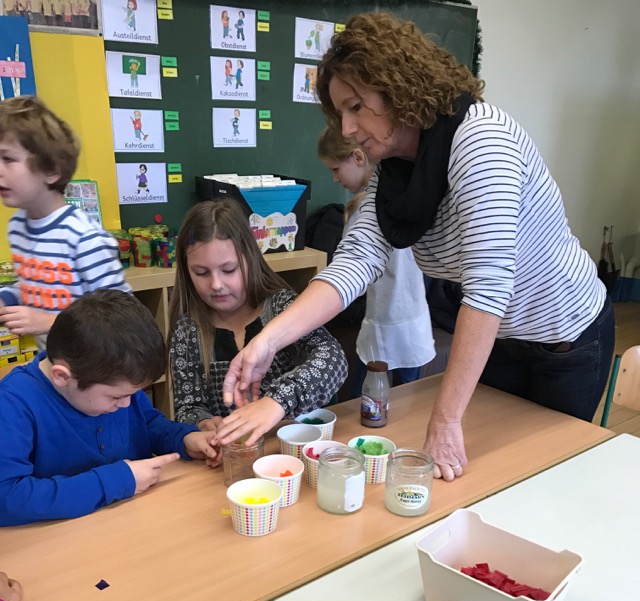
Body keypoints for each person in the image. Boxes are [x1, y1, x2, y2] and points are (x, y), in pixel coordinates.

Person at [220, 11, 614, 481]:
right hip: (501, 341)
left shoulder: (480, 142)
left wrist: (445, 420)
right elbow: (353, 264)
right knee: (491, 473)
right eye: (340, 113)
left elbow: (488, 290)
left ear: (397, 89)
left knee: (547, 475)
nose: (347, 129)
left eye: (356, 107)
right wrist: (268, 340)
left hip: (565, 340)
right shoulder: (395, 170)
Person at [0, 290, 220, 527]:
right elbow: (6, 498)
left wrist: (183, 438)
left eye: (133, 394)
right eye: (117, 397)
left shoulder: (113, 379)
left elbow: (146, 424)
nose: (127, 404)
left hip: (134, 521)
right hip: (63, 536)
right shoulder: (13, 403)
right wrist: (118, 481)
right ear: (62, 376)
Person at [168, 199, 348, 443]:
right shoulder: (187, 331)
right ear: (186, 271)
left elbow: (333, 359)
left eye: (229, 270)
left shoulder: (282, 308)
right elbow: (187, 408)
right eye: (201, 273)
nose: (216, 284)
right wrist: (202, 423)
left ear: (250, 259)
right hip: (230, 455)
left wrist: (276, 402)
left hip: (288, 449)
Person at [0, 96, 130, 350]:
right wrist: (7, 299)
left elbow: (119, 316)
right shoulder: (17, 228)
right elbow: (35, 288)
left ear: (51, 170)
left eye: (8, 159)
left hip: (95, 363)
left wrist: (49, 322)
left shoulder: (84, 237)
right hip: (53, 359)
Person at [318, 125, 435, 397]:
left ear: (358, 158)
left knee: (364, 398)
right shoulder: (402, 201)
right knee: (404, 399)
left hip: (394, 323)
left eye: (335, 169)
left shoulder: (363, 212)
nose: (334, 179)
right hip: (401, 323)